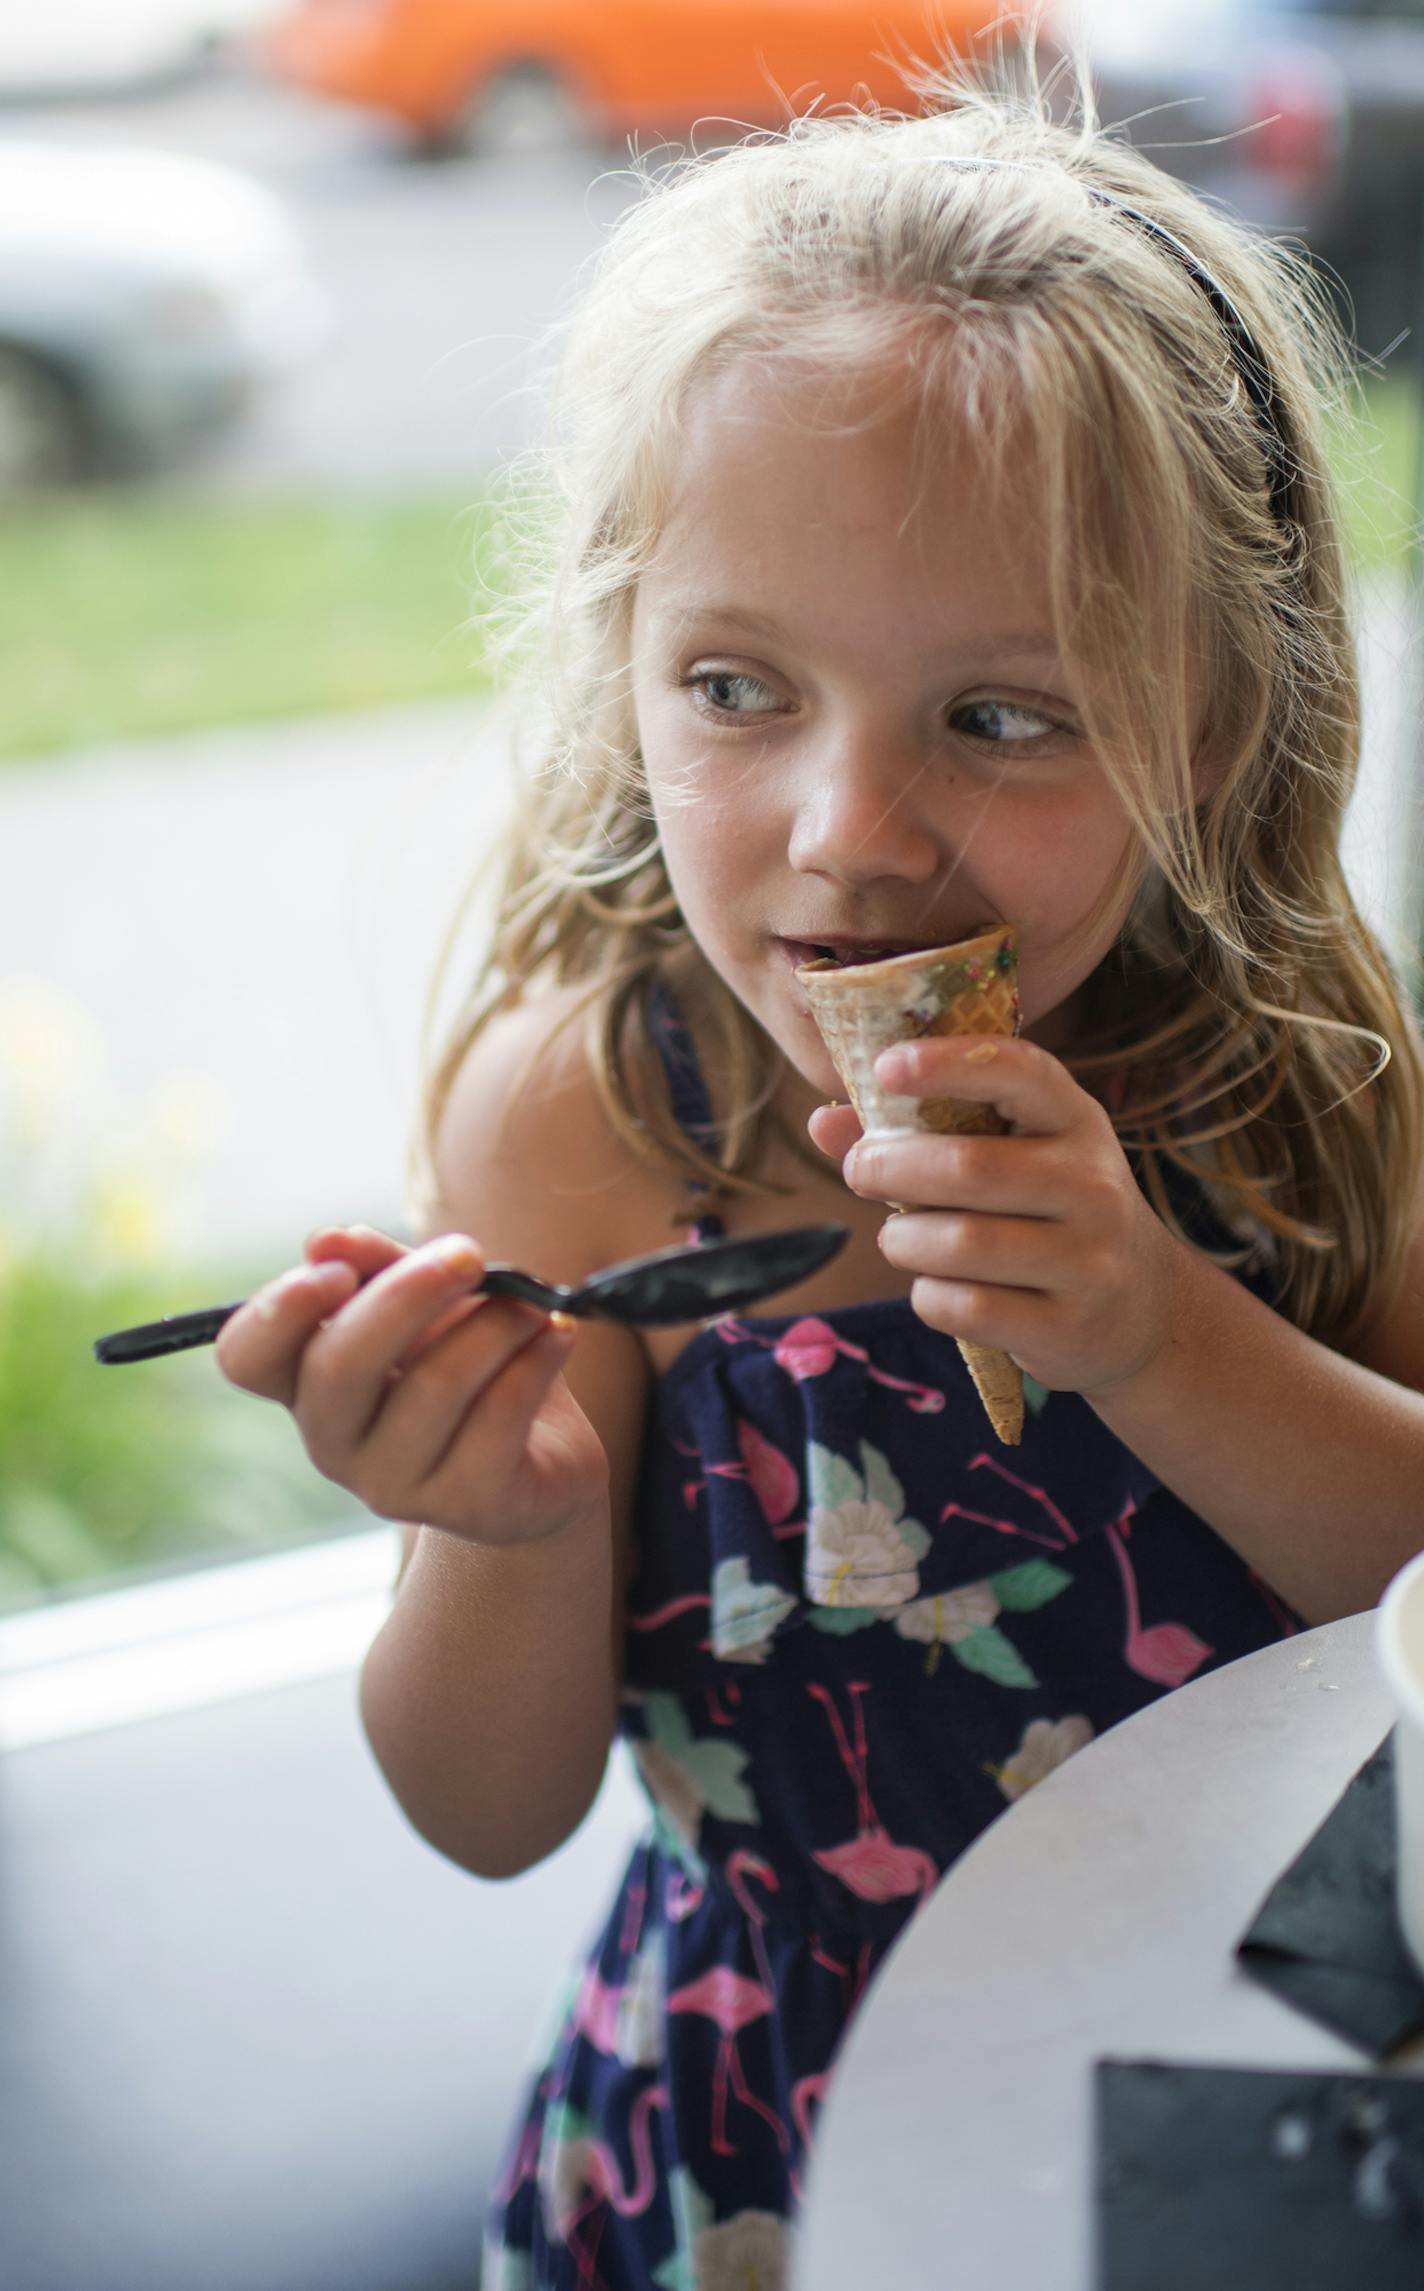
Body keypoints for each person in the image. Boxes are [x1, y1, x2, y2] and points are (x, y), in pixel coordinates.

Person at [216, 52, 1424, 2291]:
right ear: (623, 672)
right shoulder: (591, 1118)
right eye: (737, 688)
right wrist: (505, 1524)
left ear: (1227, 720)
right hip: (764, 2133)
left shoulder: (1310, 1098)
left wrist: (1168, 1333)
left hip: (1255, 2112)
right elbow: (482, 1821)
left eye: (999, 717)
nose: (845, 838)